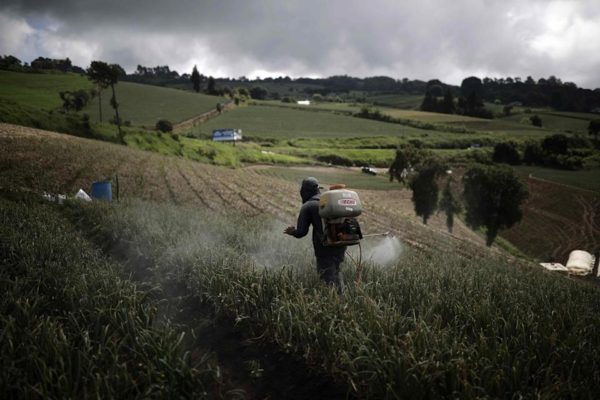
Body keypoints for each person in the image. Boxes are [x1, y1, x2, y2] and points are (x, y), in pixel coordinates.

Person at [284, 177, 346, 293]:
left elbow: (302, 232)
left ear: (305, 191)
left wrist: (292, 232)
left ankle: (334, 304)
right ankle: (342, 300)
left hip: (324, 247)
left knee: (327, 277)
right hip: (341, 243)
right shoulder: (328, 202)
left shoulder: (308, 206)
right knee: (336, 271)